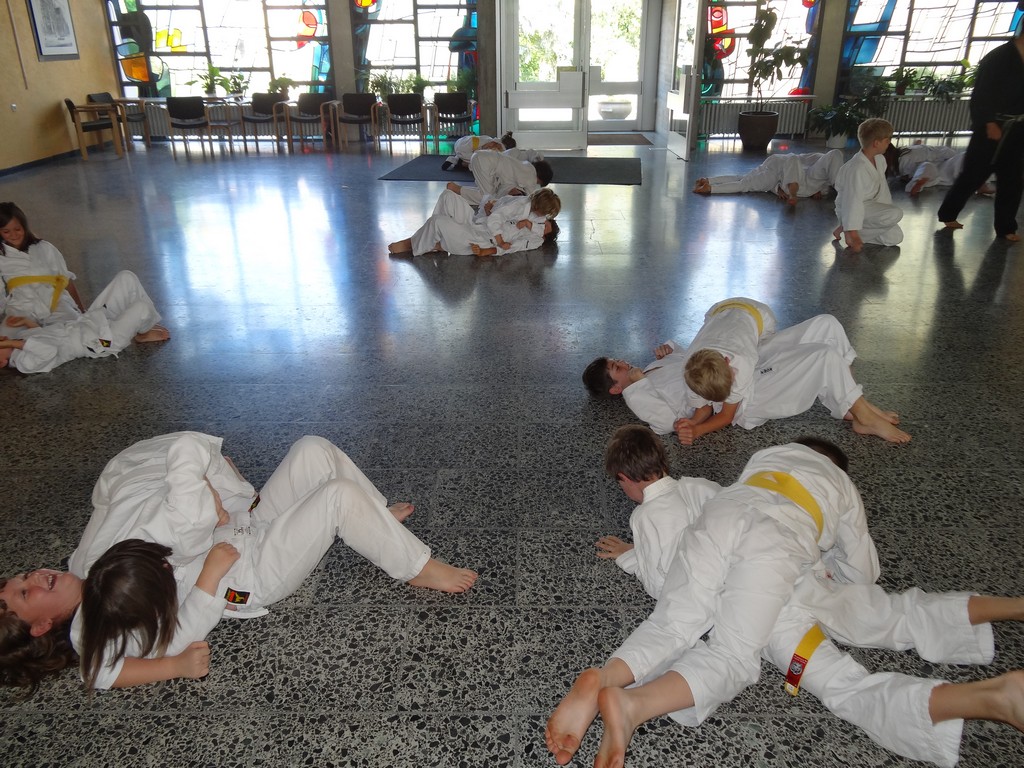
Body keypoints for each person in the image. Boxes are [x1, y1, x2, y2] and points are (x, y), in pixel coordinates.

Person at [550, 426, 1024, 768]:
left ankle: (608, 676)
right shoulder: (842, 486)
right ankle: (633, 706)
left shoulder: (767, 456)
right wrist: (826, 557)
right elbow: (863, 572)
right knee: (760, 655)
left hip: (725, 523)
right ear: (835, 468)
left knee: (674, 622)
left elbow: (737, 510)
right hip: (778, 568)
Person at [0, 432, 478, 693]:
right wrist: (173, 666)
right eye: (26, 593)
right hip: (247, 574)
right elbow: (102, 673)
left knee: (311, 449)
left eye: (21, 578)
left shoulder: (82, 562)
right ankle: (415, 567)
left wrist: (221, 490)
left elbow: (127, 505)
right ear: (40, 626)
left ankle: (373, 520)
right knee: (336, 496)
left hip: (240, 527)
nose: (34, 577)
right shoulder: (88, 627)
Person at [582, 297, 910, 444]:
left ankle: (854, 405)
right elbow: (668, 422)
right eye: (616, 368)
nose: (623, 363)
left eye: (616, 359)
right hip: (742, 395)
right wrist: (642, 386)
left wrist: (670, 350)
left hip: (731, 360)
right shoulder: (636, 397)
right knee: (823, 356)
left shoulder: (651, 367)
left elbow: (693, 361)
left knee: (826, 325)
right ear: (615, 388)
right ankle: (863, 416)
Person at [0, 202, 169, 348]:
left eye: (17, 229)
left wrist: (81, 311)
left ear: (25, 226)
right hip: (22, 309)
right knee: (4, 339)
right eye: (6, 231)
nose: (14, 235)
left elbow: (66, 281)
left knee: (83, 335)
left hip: (58, 306)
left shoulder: (44, 248)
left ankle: (141, 331)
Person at [937, 28, 1024, 241]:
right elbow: (981, 94)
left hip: (1018, 128)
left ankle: (1006, 228)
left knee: (1013, 178)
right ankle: (948, 213)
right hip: (991, 126)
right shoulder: (999, 58)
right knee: (974, 174)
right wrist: (988, 122)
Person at [0, 271, 166, 374]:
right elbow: (48, 350)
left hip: (90, 322)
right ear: (2, 363)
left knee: (126, 277)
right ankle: (143, 333)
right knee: (142, 308)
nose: (2, 341)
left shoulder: (21, 341)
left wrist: (27, 322)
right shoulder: (23, 363)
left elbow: (42, 335)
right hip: (101, 342)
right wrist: (13, 343)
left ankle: (141, 326)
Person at [388, 187, 560, 257]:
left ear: (545, 237)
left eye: (544, 227)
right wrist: (490, 208)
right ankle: (434, 240)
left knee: (437, 221)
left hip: (480, 238)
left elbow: (512, 247)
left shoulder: (536, 239)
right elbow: (497, 213)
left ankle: (413, 244)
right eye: (545, 220)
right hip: (477, 223)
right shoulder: (523, 206)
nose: (541, 223)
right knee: (448, 196)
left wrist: (494, 247)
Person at [833, 118, 904, 252]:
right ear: (876, 143)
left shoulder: (879, 159)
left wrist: (885, 208)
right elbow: (852, 200)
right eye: (887, 140)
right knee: (895, 213)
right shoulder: (857, 168)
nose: (889, 143)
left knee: (895, 237)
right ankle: (849, 230)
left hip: (869, 206)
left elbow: (883, 191)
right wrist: (853, 232)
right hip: (849, 207)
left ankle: (847, 228)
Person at [692, 149, 844, 204]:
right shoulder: (772, 172)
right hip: (783, 172)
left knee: (834, 153)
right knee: (746, 183)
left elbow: (742, 180)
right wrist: (777, 189)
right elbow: (744, 184)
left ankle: (709, 182)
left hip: (802, 177)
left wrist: (821, 188)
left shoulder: (814, 160)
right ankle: (709, 185)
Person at [446, 148, 554, 206]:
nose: (536, 184)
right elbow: (531, 198)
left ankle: (458, 192)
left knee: (489, 193)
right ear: (540, 178)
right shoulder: (531, 177)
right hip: (486, 164)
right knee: (488, 199)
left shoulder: (525, 164)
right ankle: (456, 189)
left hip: (483, 156)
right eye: (538, 183)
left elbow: (527, 152)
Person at [441, 131, 517, 171]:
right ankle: (457, 162)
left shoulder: (490, 139)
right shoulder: (495, 145)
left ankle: (458, 158)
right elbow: (483, 151)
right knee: (478, 162)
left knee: (473, 156)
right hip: (464, 150)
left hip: (460, 142)